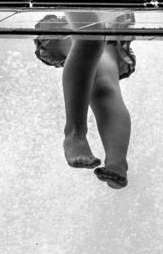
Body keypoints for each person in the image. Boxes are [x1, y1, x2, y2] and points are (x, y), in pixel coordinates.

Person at [34, 11, 136, 189]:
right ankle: (75, 133)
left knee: (103, 86)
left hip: (108, 16)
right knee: (90, 41)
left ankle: (117, 159)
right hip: (68, 18)